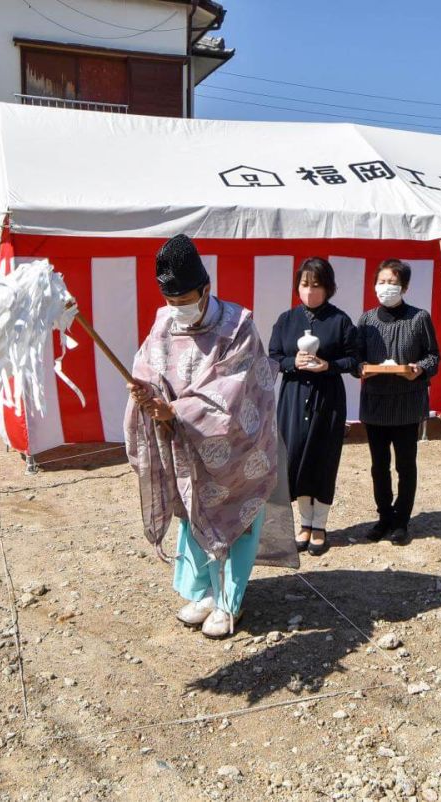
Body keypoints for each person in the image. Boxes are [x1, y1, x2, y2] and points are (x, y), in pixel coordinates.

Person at [124, 234, 297, 639]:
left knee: (235, 517)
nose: (178, 308)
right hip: (186, 447)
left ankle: (227, 602)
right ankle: (201, 591)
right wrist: (146, 393)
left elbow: (236, 390)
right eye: (172, 300)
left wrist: (178, 410)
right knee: (192, 511)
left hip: (237, 449)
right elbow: (148, 365)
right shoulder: (164, 322)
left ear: (206, 288)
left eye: (186, 298)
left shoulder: (238, 327)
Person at [268, 257, 361, 556]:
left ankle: (319, 524)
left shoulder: (340, 320)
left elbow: (354, 360)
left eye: (317, 285)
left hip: (327, 398)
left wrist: (329, 365)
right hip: (294, 397)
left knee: (322, 458)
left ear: (329, 287)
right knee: (295, 457)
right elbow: (273, 356)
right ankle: (303, 523)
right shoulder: (286, 319)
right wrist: (290, 363)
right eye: (305, 285)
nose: (310, 291)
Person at [357, 259, 440, 546]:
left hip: (407, 404)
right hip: (375, 404)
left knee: (406, 465)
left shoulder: (419, 318)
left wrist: (419, 369)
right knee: (379, 465)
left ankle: (402, 521)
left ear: (404, 287)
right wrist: (361, 367)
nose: (386, 287)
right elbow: (355, 358)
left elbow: (434, 357)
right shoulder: (366, 320)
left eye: (393, 282)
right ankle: (384, 518)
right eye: (382, 281)